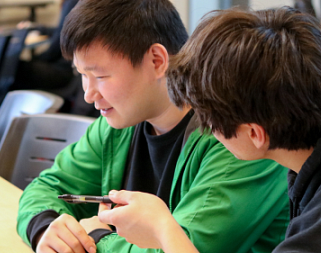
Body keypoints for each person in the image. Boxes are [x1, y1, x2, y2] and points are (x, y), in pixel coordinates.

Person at [17, 1, 290, 253]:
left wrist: (97, 237)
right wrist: (44, 229)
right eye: (82, 75)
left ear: (157, 61)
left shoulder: (236, 137)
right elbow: (49, 185)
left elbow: (185, 247)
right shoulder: (118, 123)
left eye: (100, 75)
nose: (88, 94)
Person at [100, 6, 321, 252]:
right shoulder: (320, 160)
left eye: (209, 121)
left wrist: (163, 229)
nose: (206, 129)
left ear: (254, 134)